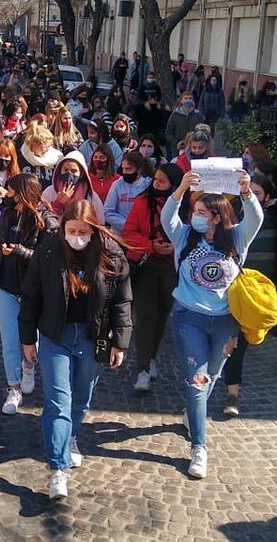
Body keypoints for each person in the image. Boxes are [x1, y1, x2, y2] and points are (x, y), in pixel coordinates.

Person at [18, 199, 132, 499]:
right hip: (55, 334)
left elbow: (122, 301)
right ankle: (58, 468)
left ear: (94, 229)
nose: (77, 236)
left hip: (92, 336)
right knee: (58, 400)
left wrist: (120, 341)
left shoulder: (111, 254)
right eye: (72, 230)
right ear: (63, 229)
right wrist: (27, 339)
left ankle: (70, 437)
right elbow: (30, 296)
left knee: (81, 397)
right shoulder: (47, 251)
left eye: (84, 231)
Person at [161, 168, 262, 479]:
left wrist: (246, 191)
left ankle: (193, 412)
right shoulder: (185, 236)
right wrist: (179, 190)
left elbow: (256, 219)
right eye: (195, 211)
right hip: (188, 318)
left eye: (203, 212)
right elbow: (168, 219)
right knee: (196, 380)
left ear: (218, 217)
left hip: (224, 322)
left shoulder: (236, 238)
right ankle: (199, 447)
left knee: (213, 373)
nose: (197, 216)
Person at [0, 173, 58, 414]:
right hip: (5, 285)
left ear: (22, 192)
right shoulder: (7, 214)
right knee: (8, 341)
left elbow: (46, 257)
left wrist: (19, 251)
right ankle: (13, 388)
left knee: (31, 336)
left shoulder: (46, 219)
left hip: (32, 289)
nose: (6, 194)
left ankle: (29, 365)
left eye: (10, 190)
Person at [221, 174, 277, 414]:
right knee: (222, 343)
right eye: (246, 190)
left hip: (257, 292)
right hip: (231, 288)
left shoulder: (275, 218)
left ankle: (232, 395)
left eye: (257, 192)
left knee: (238, 343)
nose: (251, 194)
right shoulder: (229, 221)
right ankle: (202, 392)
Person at [121, 163, 184, 391]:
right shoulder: (142, 201)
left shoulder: (187, 207)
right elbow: (128, 234)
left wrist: (175, 247)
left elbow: (191, 236)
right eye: (155, 179)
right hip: (146, 266)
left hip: (172, 269)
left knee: (161, 317)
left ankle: (151, 357)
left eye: (162, 181)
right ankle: (143, 369)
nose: (156, 184)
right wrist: (151, 245)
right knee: (146, 318)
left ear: (175, 186)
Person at [165, 93, 203, 159]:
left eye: (190, 98)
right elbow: (168, 133)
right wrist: (176, 142)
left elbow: (202, 132)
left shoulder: (198, 115)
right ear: (181, 101)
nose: (188, 100)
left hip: (195, 149)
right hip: (178, 149)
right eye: (186, 98)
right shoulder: (175, 115)